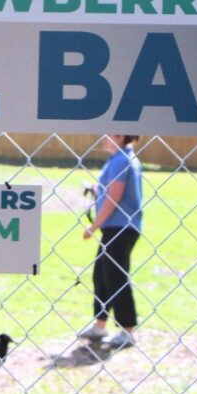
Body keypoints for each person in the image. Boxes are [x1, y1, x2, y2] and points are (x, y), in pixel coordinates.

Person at [79, 134, 143, 349]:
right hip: (116, 227)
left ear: (120, 136)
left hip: (120, 227)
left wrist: (94, 226)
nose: (103, 138)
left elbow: (115, 197)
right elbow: (110, 192)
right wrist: (97, 191)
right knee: (102, 274)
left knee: (116, 276)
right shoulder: (118, 159)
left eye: (109, 134)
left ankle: (127, 330)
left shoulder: (122, 161)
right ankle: (100, 325)